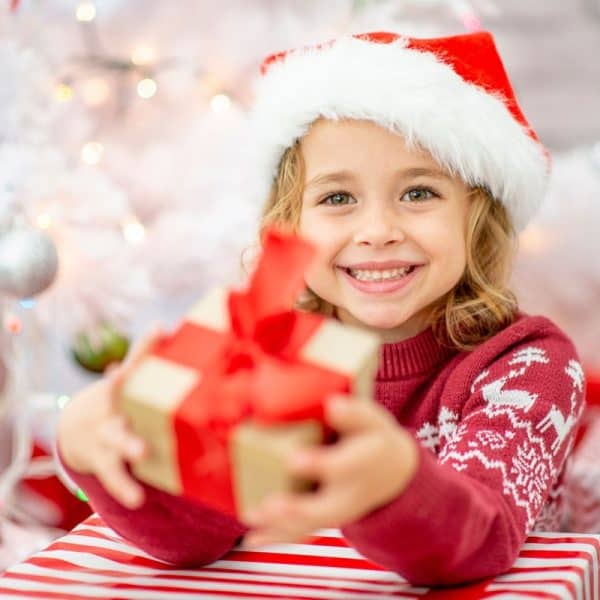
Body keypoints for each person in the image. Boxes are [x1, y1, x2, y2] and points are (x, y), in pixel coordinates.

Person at [57, 31, 585, 585]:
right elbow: (198, 537)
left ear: (476, 217)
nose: (378, 231)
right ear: (289, 224)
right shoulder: (263, 357)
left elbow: (484, 539)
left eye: (418, 192)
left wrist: (398, 482)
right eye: (337, 198)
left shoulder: (529, 368)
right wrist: (95, 448)